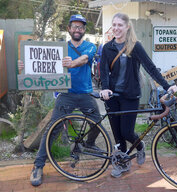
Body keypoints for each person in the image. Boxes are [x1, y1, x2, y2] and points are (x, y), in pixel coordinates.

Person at [18, 14, 101, 186]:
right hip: (66, 95)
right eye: (74, 27)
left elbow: (85, 59)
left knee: (97, 123)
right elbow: (42, 63)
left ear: (84, 30)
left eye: (81, 27)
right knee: (52, 130)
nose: (77, 30)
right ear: (69, 29)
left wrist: (73, 63)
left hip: (85, 94)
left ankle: (89, 144)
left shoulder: (90, 46)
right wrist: (25, 65)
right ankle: (38, 166)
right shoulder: (60, 48)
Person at [99, 13, 177, 178]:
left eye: (120, 25)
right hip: (113, 96)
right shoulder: (107, 47)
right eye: (114, 25)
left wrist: (167, 86)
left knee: (127, 132)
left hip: (130, 95)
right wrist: (105, 88)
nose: (116, 28)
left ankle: (140, 146)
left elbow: (150, 68)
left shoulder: (135, 46)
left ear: (127, 27)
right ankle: (122, 164)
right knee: (117, 134)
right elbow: (104, 71)